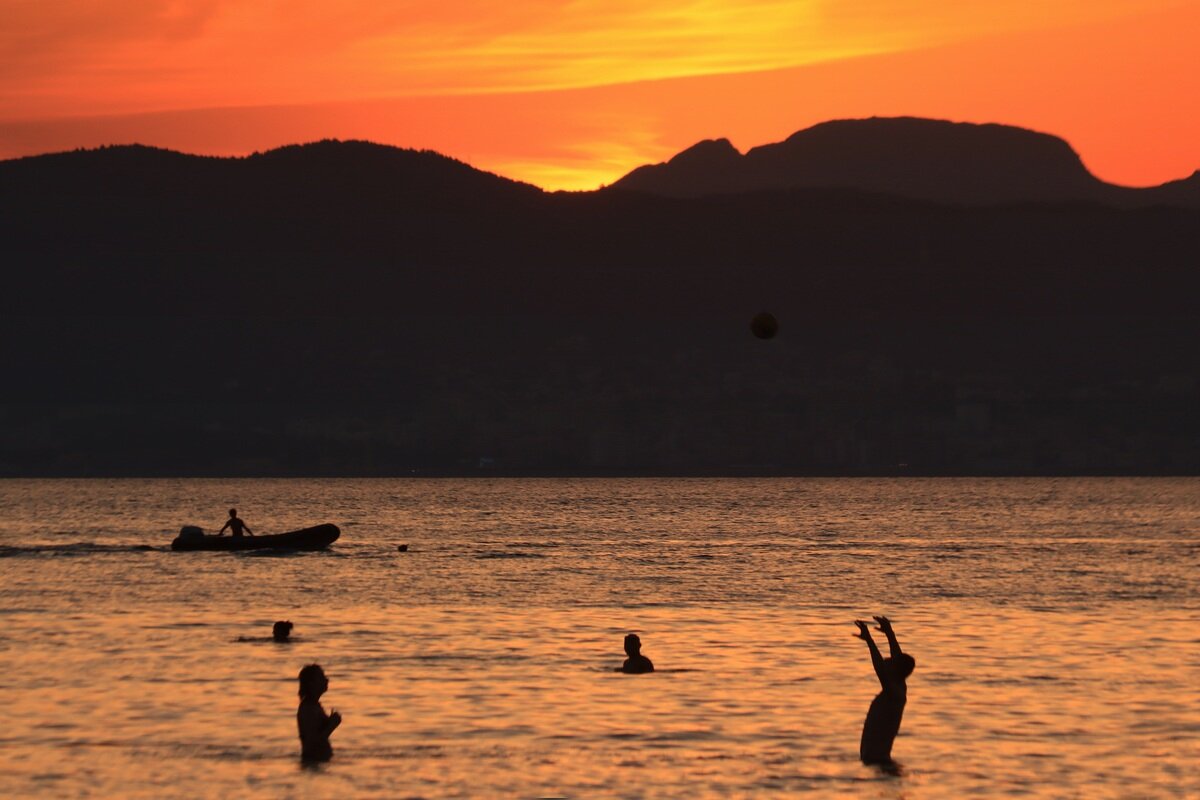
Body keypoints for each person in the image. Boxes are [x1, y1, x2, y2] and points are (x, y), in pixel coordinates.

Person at [854, 615, 914, 768]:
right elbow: (897, 659)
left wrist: (870, 641)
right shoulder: (898, 688)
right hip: (877, 761)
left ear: (895, 669)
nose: (887, 660)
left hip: (878, 761)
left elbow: (880, 669)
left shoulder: (894, 693)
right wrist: (889, 633)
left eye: (891, 662)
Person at [297, 664, 341, 763]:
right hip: (313, 760)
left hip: (319, 760)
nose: (326, 680)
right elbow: (313, 742)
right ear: (311, 683)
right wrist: (332, 725)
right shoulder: (308, 708)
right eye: (321, 677)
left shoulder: (314, 705)